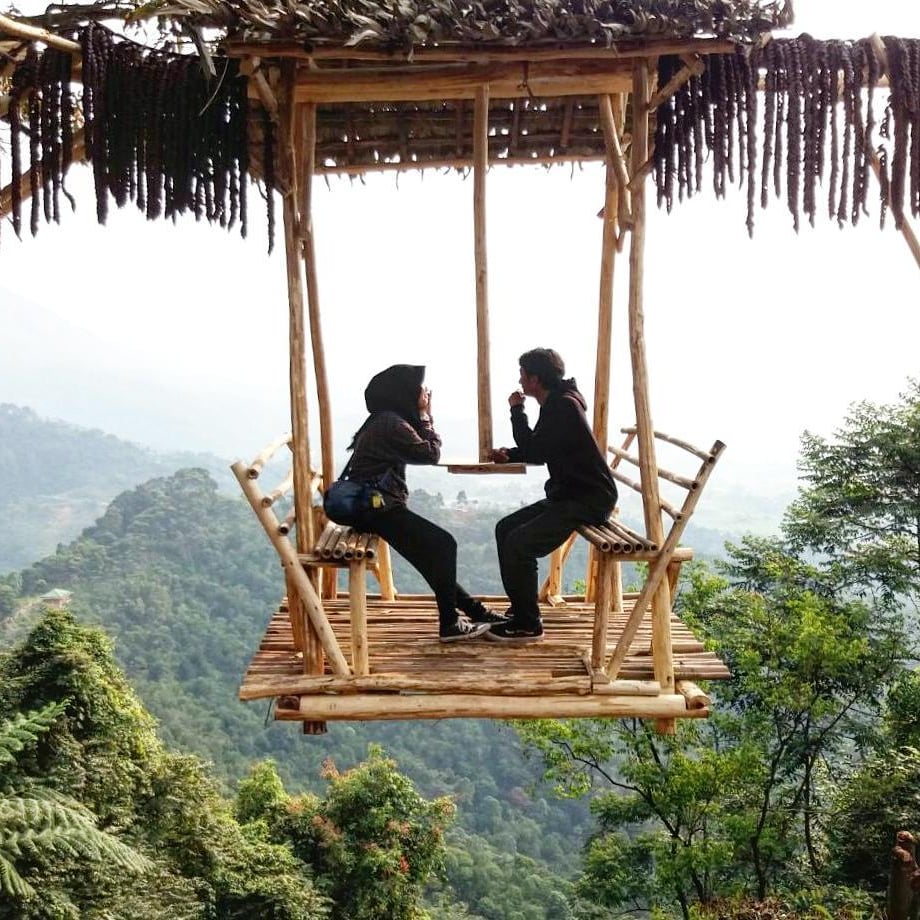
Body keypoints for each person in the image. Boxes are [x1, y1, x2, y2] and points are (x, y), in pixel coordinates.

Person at [345, 364, 506, 642]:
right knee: (444, 545)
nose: (424, 393)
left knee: (432, 557)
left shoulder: (383, 419)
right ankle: (451, 624)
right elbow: (429, 453)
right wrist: (425, 416)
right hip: (376, 509)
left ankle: (474, 612)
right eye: (419, 389)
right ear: (403, 393)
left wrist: (421, 416)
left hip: (371, 507)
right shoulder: (390, 424)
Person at [488, 348, 618, 643]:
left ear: (535, 379)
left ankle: (527, 624)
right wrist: (509, 454)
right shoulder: (559, 403)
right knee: (505, 528)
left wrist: (516, 410)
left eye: (523, 375)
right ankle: (521, 609)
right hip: (571, 494)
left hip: (587, 499)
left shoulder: (562, 406)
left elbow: (535, 449)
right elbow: (543, 446)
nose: (519, 380)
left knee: (520, 544)